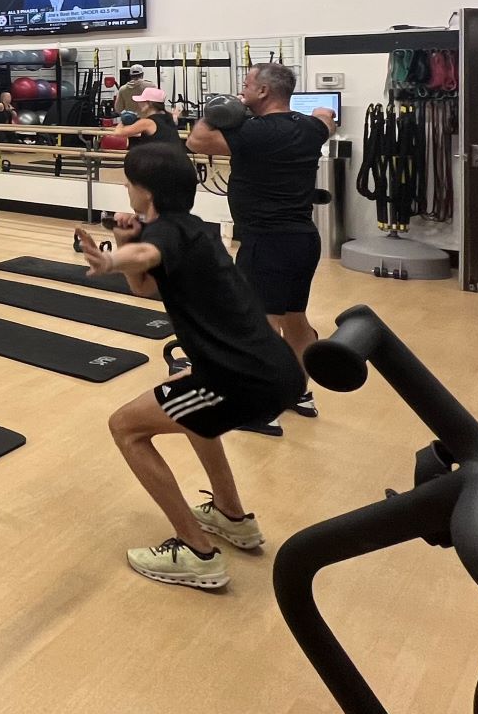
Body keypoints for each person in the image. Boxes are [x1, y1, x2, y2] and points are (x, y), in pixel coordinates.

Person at [80, 141, 303, 590]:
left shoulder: (163, 237)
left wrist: (110, 258)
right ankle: (231, 514)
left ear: (146, 193)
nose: (125, 188)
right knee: (194, 411)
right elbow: (144, 288)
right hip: (275, 370)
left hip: (241, 380)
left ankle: (196, 551)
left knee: (125, 426)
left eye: (129, 183)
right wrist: (126, 237)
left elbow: (143, 259)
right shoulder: (193, 229)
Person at [186, 63, 336, 420]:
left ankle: (261, 401)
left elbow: (196, 140)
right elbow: (327, 118)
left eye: (248, 84)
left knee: (260, 325)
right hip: (303, 240)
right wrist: (319, 113)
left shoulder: (254, 133)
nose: (243, 88)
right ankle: (299, 392)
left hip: (265, 241)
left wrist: (217, 110)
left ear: (265, 92)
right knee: (296, 320)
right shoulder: (311, 128)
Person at [112, 85, 178, 143]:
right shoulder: (169, 116)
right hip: (175, 155)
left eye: (142, 101)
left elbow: (118, 133)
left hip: (160, 156)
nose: (139, 103)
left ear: (149, 103)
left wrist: (123, 120)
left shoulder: (147, 122)